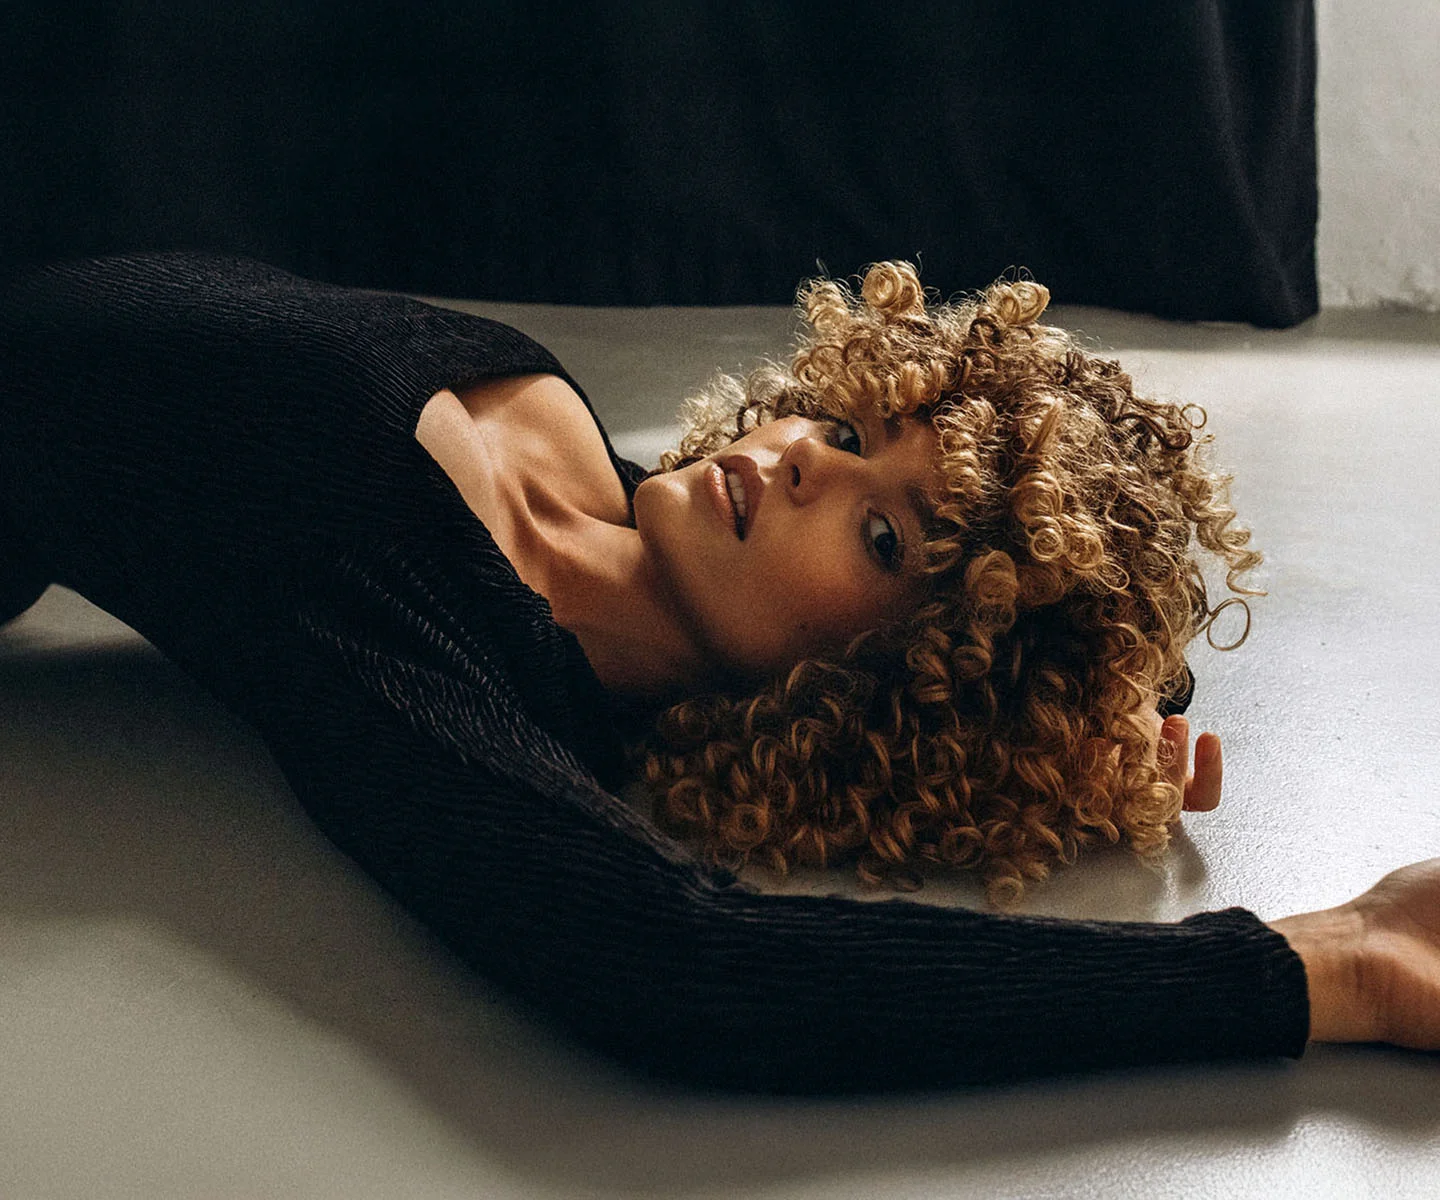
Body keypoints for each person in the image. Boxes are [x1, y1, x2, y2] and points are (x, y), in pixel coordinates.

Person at [0, 252, 1435, 1093]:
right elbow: (1051, 638)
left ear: (891, 683)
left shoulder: (408, 626)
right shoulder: (605, 491)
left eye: (880, 534)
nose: (807, 456)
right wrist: (1123, 707)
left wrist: (1319, 968)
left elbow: (682, 964)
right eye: (865, 427)